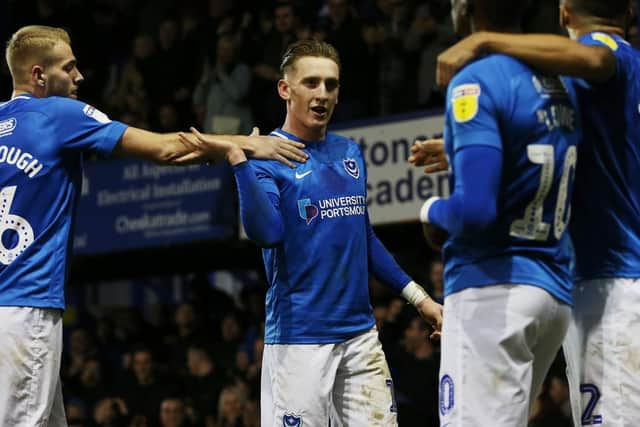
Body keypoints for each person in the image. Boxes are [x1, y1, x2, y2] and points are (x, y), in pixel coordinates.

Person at [0, 24, 309, 427]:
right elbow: (165, 149)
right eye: (69, 67)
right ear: (39, 75)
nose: (80, 77)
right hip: (26, 307)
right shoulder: (59, 113)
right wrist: (249, 145)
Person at [181, 39, 443, 427]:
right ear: (285, 89)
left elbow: (363, 238)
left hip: (361, 339)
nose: (322, 94)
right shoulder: (266, 155)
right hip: (299, 342)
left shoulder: (349, 152)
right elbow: (266, 233)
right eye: (312, 83)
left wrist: (420, 299)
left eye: (331, 85)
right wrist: (240, 161)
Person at [422, 1, 640, 425]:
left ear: (563, 14)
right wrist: (468, 149)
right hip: (591, 282)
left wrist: (484, 39)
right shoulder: (611, 77)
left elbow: (595, 56)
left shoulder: (600, 58)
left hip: (609, 282)